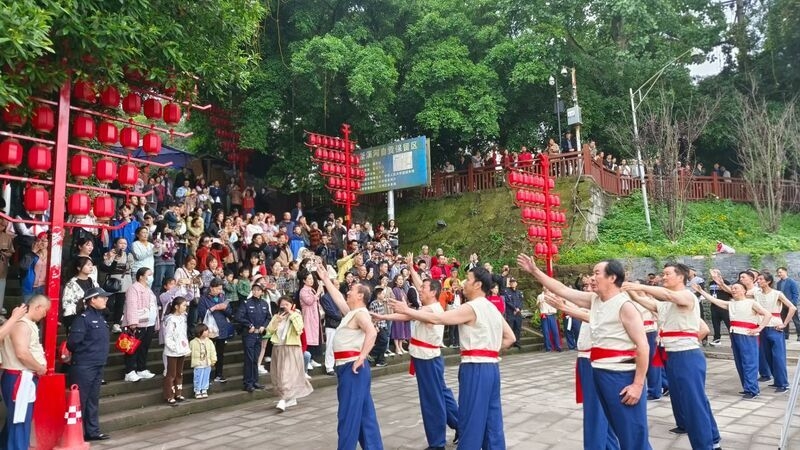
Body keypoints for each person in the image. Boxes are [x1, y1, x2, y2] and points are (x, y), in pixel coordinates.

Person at [517, 254, 651, 450]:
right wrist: (535, 271)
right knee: (616, 427)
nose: (591, 278)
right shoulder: (595, 300)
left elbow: (643, 346)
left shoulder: (625, 306)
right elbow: (562, 290)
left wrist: (638, 385)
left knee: (632, 434)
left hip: (621, 376)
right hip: (599, 372)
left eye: (597, 273)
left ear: (612, 277)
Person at [390, 266, 516, 450]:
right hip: (492, 368)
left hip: (475, 368)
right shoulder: (492, 307)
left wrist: (406, 310)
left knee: (470, 419)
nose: (464, 283)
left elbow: (438, 319)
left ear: (478, 284)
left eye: (468, 279)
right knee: (492, 421)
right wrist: (488, 350)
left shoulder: (471, 307)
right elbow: (511, 338)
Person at [622, 263, 720, 450]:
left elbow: (668, 295)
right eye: (663, 274)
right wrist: (630, 290)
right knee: (692, 400)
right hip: (671, 355)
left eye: (667, 274)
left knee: (693, 403)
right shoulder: (666, 303)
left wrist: (637, 286)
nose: (663, 277)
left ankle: (704, 445)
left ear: (680, 277)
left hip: (687, 355)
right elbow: (647, 302)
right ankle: (713, 439)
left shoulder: (687, 295)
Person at [373, 253, 459, 449]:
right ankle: (460, 424)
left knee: (431, 400)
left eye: (423, 289)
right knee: (442, 394)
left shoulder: (431, 310)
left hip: (427, 360)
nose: (420, 290)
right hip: (429, 359)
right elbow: (418, 295)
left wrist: (397, 311)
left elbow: (409, 315)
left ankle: (437, 443)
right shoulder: (431, 304)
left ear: (433, 292)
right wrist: (412, 268)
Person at [543, 289, 621, 450]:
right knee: (598, 410)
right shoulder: (596, 304)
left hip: (595, 360)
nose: (589, 286)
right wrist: (562, 300)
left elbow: (589, 316)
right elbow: (579, 308)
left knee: (596, 410)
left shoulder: (611, 306)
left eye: (594, 281)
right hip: (587, 359)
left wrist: (563, 306)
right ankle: (610, 446)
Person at [315, 266, 382, 450]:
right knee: (365, 416)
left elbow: (372, 333)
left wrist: (361, 357)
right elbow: (338, 298)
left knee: (348, 416)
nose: (348, 291)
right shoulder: (352, 312)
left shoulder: (360, 314)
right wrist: (325, 280)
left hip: (353, 367)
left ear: (360, 295)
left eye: (351, 290)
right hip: (350, 368)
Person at [693, 283, 770, 398]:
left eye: (736, 288)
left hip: (747, 335)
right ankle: (747, 387)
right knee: (739, 362)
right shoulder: (731, 304)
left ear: (744, 290)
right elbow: (715, 301)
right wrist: (701, 291)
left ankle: (752, 390)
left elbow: (767, 314)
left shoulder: (751, 303)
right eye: (732, 288)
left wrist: (759, 328)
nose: (733, 290)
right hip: (735, 334)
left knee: (749, 362)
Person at [0, 295, 48, 449]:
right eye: (45, 310)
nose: (45, 315)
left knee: (18, 417)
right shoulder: (22, 324)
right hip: (20, 376)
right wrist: (39, 367)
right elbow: (22, 353)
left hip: (23, 376)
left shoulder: (26, 324)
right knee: (20, 418)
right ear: (38, 307)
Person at [67, 287, 113, 441]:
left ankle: (92, 431)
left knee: (93, 399)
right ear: (92, 300)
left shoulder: (101, 317)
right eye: (102, 297)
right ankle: (76, 433)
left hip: (98, 363)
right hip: (84, 365)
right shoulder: (83, 319)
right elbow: (73, 343)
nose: (106, 299)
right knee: (80, 400)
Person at [266, 296, 314, 411]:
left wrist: (291, 314)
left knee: (286, 374)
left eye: (286, 305)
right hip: (278, 348)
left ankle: (283, 400)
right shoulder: (277, 316)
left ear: (292, 305)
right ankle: (290, 398)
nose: (284, 307)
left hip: (291, 348)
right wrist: (277, 320)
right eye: (282, 305)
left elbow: (299, 329)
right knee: (278, 375)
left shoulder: (296, 315)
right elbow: (269, 331)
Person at [753, 273, 796, 392]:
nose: (758, 281)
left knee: (778, 357)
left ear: (768, 281)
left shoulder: (777, 294)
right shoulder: (757, 294)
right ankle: (777, 381)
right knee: (768, 356)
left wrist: (785, 324)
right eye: (758, 279)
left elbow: (792, 307)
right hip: (762, 327)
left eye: (761, 279)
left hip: (775, 327)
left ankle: (783, 383)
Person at [122, 267, 159, 383]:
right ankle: (129, 371)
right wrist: (133, 322)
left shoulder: (148, 289)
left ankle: (141, 368)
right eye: (149, 274)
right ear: (141, 276)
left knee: (144, 347)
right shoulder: (133, 288)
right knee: (132, 347)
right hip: (138, 323)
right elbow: (132, 305)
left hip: (149, 323)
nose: (151, 277)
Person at [197, 278, 235, 383]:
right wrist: (214, 308)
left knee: (220, 353)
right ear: (211, 288)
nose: (219, 291)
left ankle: (219, 374)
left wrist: (224, 308)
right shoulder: (204, 298)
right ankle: (205, 376)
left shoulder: (223, 297)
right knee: (207, 353)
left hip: (221, 328)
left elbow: (230, 312)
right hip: (209, 329)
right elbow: (202, 314)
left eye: (221, 289)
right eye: (217, 289)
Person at [236, 283, 270, 392]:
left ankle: (255, 381)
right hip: (249, 334)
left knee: (255, 359)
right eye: (254, 290)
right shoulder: (246, 303)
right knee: (249, 359)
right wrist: (248, 325)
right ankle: (248, 383)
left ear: (262, 292)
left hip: (259, 334)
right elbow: (239, 316)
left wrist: (264, 326)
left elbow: (268, 317)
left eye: (258, 290)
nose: (256, 292)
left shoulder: (264, 303)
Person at [101, 237, 134, 333]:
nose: (123, 245)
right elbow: (106, 265)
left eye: (125, 243)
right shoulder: (109, 254)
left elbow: (130, 267)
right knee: (108, 302)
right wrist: (112, 258)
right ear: (115, 244)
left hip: (125, 280)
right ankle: (104, 320)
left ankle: (116, 324)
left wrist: (120, 266)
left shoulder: (128, 255)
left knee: (120, 303)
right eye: (121, 243)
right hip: (112, 280)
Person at [162, 296, 190, 406]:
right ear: (176, 306)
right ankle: (169, 395)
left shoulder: (183, 318)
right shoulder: (171, 320)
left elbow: (183, 334)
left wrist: (185, 347)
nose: (185, 307)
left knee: (179, 372)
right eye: (183, 305)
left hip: (181, 349)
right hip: (172, 351)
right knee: (171, 374)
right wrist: (174, 347)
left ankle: (178, 393)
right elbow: (168, 337)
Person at [61, 256, 99, 332]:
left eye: (91, 265)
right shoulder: (71, 284)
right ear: (79, 268)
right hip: (78, 318)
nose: (91, 267)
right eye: (88, 265)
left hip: (93, 316)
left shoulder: (93, 281)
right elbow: (67, 303)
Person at [190, 323, 217, 399]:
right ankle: (197, 390)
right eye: (205, 330)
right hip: (198, 363)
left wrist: (213, 360)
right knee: (198, 377)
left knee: (206, 377)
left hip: (207, 363)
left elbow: (213, 351)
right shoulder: (193, 342)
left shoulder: (209, 342)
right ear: (200, 332)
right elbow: (189, 351)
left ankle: (204, 389)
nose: (207, 332)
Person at [776, 267, 800, 341]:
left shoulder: (792, 282)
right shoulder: (778, 283)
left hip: (791, 305)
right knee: (784, 320)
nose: (779, 274)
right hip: (782, 305)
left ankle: (799, 335)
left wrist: (793, 304)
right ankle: (786, 335)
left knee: (796, 320)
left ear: (785, 272)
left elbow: (795, 294)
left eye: (780, 272)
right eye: (778, 273)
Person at [504, 278, 524, 349]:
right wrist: (515, 308)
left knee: (518, 328)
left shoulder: (519, 292)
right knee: (510, 328)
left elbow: (521, 301)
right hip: (510, 312)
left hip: (518, 313)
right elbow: (507, 302)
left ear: (516, 283)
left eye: (514, 282)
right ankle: (510, 343)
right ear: (509, 284)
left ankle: (517, 342)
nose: (513, 283)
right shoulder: (506, 291)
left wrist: (518, 308)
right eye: (511, 282)